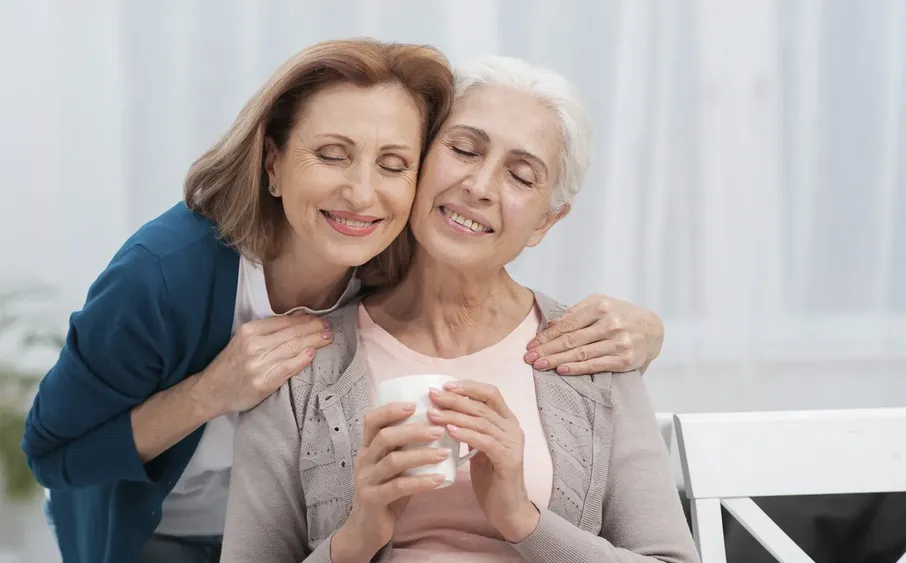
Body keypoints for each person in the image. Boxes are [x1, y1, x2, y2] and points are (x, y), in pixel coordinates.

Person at [21, 40, 671, 563]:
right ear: (273, 163)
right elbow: (53, 451)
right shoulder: (177, 278)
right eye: (463, 149)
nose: (363, 194)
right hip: (155, 530)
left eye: (392, 163)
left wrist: (523, 517)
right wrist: (213, 393)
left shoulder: (393, 257)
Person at [220, 56, 699, 563]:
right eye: (464, 149)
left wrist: (523, 520)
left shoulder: (592, 350)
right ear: (417, 160)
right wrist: (356, 538)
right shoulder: (299, 361)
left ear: (546, 221)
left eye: (521, 176)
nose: (479, 186)